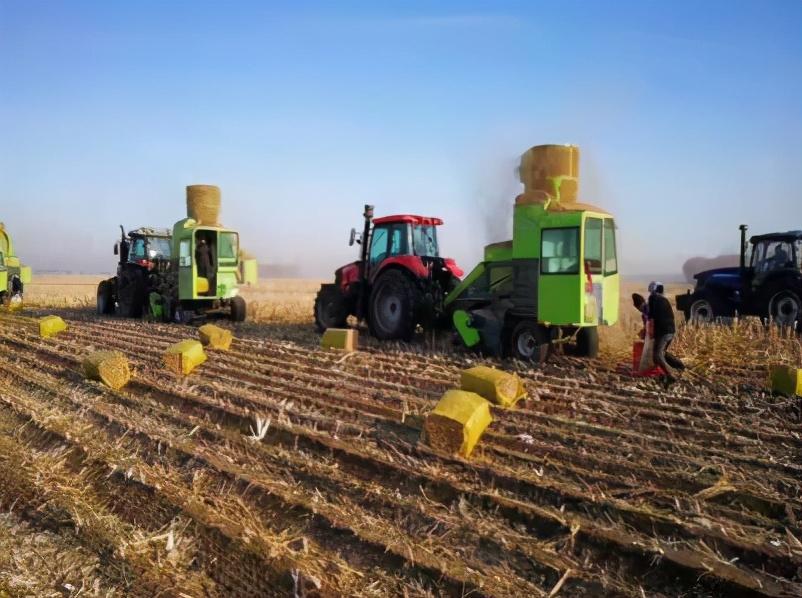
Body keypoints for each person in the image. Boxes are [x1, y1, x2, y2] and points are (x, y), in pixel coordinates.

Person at [647, 282, 685, 386]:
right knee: (661, 353)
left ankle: (670, 375)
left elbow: (651, 317)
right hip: (670, 331)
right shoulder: (664, 300)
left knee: (658, 355)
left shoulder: (653, 299)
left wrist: (649, 331)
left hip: (663, 332)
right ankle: (679, 365)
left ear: (653, 290)